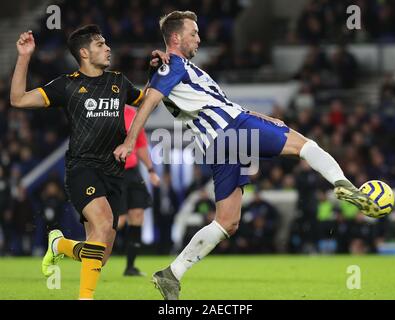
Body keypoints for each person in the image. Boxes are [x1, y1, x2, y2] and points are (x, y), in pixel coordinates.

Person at [113, 11, 381, 300]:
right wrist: (129, 141)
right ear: (176, 38)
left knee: (227, 222)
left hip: (217, 143)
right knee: (306, 146)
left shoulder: (178, 69)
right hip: (233, 128)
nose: (199, 38)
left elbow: (221, 102)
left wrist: (264, 117)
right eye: (194, 33)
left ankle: (172, 274)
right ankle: (342, 183)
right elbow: (149, 101)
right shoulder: (172, 66)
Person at [10, 25, 167, 299]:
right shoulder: (66, 85)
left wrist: (156, 72)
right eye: (100, 44)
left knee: (100, 255)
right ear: (84, 52)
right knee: (104, 223)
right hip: (83, 169)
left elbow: (149, 102)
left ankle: (59, 245)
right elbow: (18, 99)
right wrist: (24, 57)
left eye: (106, 43)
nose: (108, 48)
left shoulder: (119, 81)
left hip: (114, 173)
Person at [117, 105, 160, 276]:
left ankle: (130, 266)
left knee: (137, 215)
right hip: (112, 171)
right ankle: (85, 254)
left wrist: (150, 170)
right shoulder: (104, 110)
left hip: (132, 171)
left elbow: (140, 144)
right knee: (118, 221)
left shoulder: (132, 113)